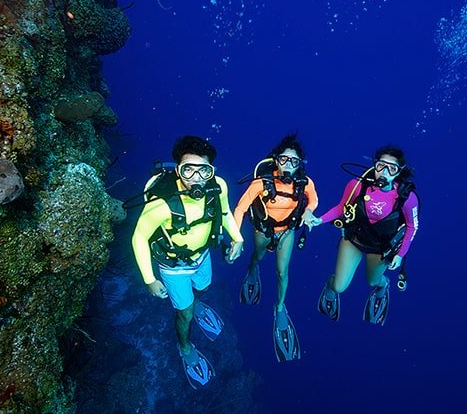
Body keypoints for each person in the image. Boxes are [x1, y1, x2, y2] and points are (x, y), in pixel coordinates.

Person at [131, 135, 244, 389]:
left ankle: (198, 303)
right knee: (185, 312)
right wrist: (150, 280)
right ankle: (185, 347)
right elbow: (139, 237)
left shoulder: (219, 187)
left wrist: (237, 238)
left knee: (204, 288)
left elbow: (224, 213)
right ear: (178, 171)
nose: (196, 178)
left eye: (203, 170)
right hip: (173, 268)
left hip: (203, 256)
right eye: (188, 170)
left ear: (211, 171)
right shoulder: (162, 203)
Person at [305, 145, 419, 326]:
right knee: (339, 287)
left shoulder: (406, 197)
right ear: (375, 165)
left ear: (398, 172)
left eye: (392, 168)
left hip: (380, 248)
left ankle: (383, 286)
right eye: (381, 166)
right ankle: (330, 287)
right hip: (354, 240)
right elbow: (342, 207)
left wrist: (400, 255)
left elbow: (412, 227)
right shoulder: (357, 185)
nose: (385, 172)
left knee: (373, 281)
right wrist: (319, 220)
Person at [233, 133, 318, 362]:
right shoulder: (261, 183)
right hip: (263, 231)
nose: (288, 165)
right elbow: (240, 208)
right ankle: (252, 271)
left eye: (294, 161)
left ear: (300, 164)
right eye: (283, 159)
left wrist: (309, 212)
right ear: (275, 160)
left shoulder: (305, 183)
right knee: (257, 257)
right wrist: (236, 237)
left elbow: (313, 200)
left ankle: (279, 307)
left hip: (287, 233)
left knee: (282, 272)